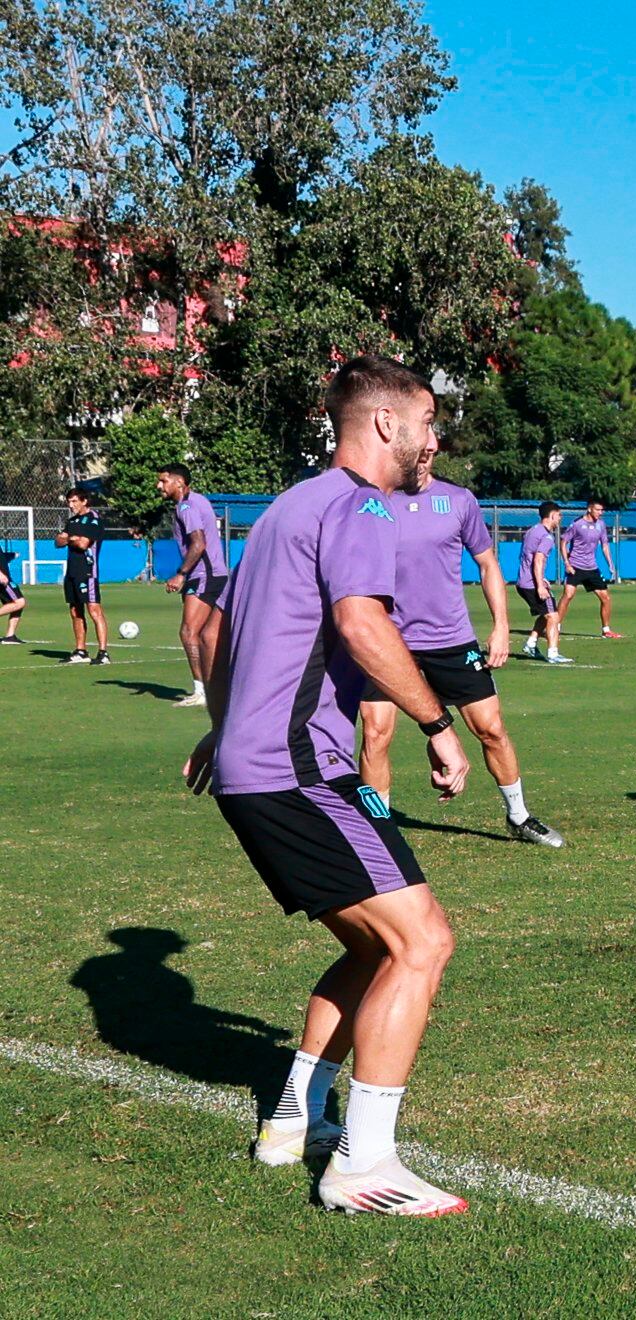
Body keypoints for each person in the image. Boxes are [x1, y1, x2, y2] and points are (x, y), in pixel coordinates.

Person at [183, 354, 474, 1216]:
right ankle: (363, 1165)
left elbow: (220, 632)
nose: (433, 440)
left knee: (374, 948)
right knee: (423, 943)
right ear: (385, 423)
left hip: (258, 766)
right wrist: (437, 725)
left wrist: (223, 727)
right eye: (427, 422)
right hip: (299, 768)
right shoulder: (363, 504)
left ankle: (290, 1121)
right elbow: (360, 622)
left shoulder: (286, 507)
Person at [358, 454, 565, 847]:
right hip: (388, 641)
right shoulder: (372, 501)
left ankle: (519, 816)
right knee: (375, 733)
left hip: (451, 640)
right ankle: (377, 831)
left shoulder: (458, 500)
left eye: (426, 453)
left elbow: (487, 564)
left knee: (492, 729)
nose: (419, 460)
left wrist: (501, 626)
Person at [156, 464, 229, 707]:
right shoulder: (197, 501)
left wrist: (181, 574)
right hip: (212, 574)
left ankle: (203, 691)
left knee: (189, 632)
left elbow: (199, 543)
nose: (159, 485)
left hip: (204, 575)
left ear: (179, 483)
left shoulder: (186, 506)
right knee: (209, 635)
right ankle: (218, 687)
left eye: (163, 481)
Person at [55, 487, 109, 665]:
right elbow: (58, 541)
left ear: (84, 501)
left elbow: (83, 544)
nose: (71, 505)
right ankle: (81, 651)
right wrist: (71, 538)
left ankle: (103, 653)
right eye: (69, 502)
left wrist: (69, 538)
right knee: (75, 610)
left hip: (87, 571)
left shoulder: (94, 520)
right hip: (72, 571)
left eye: (74, 501)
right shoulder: (72, 521)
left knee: (94, 609)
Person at [516, 502, 572, 664]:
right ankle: (553, 654)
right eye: (559, 515)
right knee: (553, 616)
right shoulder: (546, 537)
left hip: (524, 581)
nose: (560, 518)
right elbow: (538, 560)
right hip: (531, 584)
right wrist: (539, 585)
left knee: (546, 613)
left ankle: (531, 644)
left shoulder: (532, 530)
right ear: (552, 515)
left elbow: (527, 557)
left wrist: (541, 578)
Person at [556, 499, 620, 638]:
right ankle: (556, 626)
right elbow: (563, 542)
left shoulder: (601, 525)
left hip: (591, 567)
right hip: (575, 566)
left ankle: (606, 630)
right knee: (568, 595)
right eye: (597, 510)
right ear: (589, 509)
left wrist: (610, 563)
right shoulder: (577, 524)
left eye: (602, 510)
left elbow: (604, 545)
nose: (600, 513)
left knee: (606, 598)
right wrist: (567, 563)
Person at [0, 545, 25, 643]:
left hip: (6, 577)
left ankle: (10, 636)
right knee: (19, 602)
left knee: (17, 604)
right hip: (3, 579)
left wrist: (10, 555)